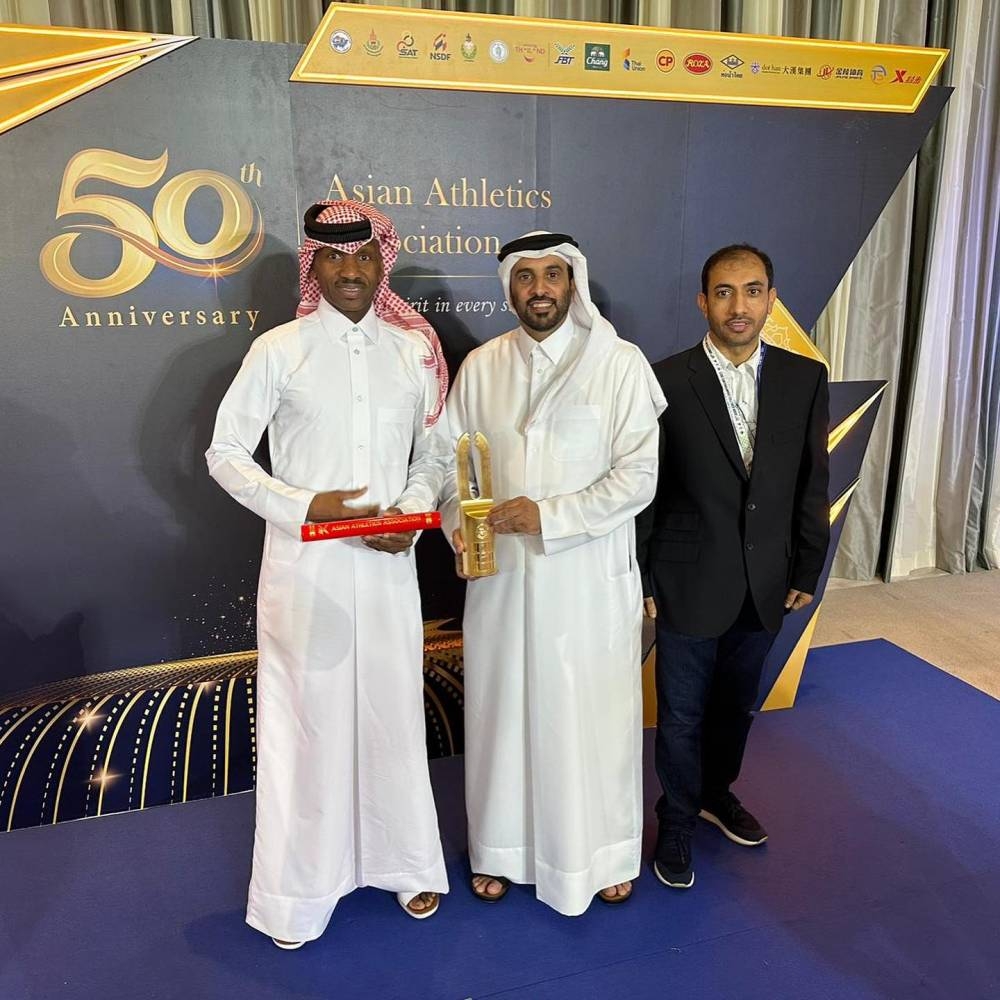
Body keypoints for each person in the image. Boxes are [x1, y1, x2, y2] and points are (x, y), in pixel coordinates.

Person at [206, 201, 450, 948]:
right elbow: (225, 455)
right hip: (306, 572)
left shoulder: (411, 351)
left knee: (392, 717)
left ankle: (406, 861)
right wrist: (303, 504)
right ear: (315, 265)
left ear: (382, 264)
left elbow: (436, 454)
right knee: (306, 729)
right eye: (335, 257)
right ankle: (298, 894)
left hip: (388, 571)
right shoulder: (279, 349)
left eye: (364, 256)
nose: (351, 270)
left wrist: (411, 513)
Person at [440, 230, 666, 916]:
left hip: (587, 582)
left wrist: (550, 516)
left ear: (573, 283)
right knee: (503, 718)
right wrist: (458, 526)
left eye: (552, 275)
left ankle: (604, 855)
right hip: (502, 581)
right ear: (509, 288)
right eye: (525, 277)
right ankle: (500, 851)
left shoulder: (619, 363)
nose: (539, 289)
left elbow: (639, 478)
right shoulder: (482, 366)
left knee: (591, 719)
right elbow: (450, 466)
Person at [637, 243, 830, 890]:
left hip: (769, 577)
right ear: (703, 302)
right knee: (682, 715)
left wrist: (806, 567)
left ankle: (716, 796)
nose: (738, 305)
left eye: (752, 291)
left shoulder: (804, 377)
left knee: (736, 707)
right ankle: (677, 821)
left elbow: (811, 481)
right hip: (687, 577)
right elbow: (647, 488)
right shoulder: (665, 380)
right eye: (724, 292)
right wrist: (643, 575)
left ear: (770, 299)